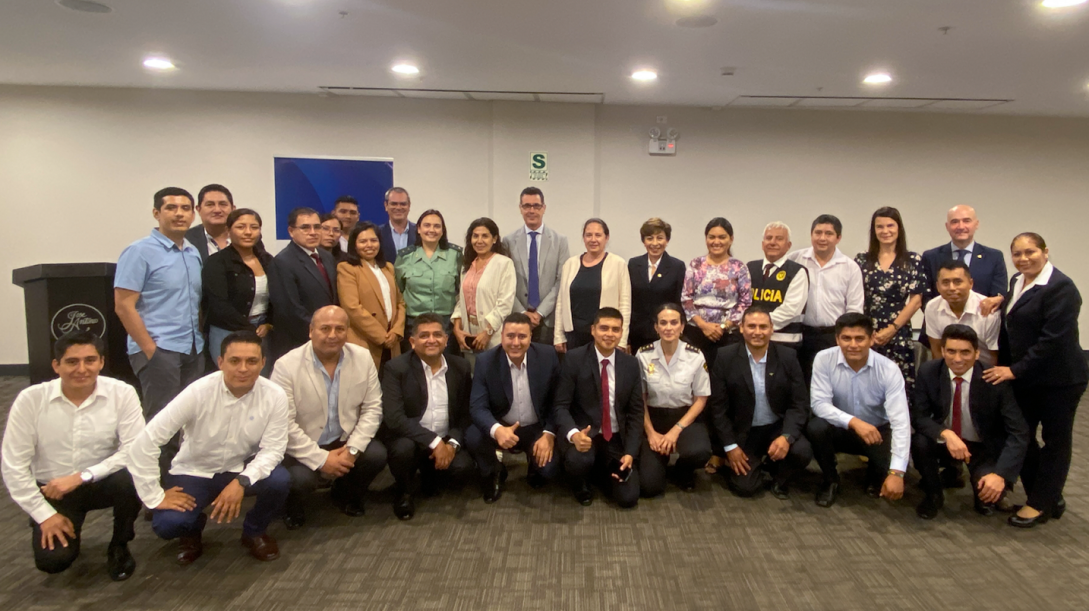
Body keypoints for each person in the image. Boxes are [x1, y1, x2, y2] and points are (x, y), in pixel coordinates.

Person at [128, 331, 290, 564]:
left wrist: (242, 480)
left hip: (240, 466)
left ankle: (254, 531)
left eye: (252, 361)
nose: (243, 368)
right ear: (220, 362)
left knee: (280, 481)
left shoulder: (275, 395)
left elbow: (274, 449)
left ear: (263, 363)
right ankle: (191, 531)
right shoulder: (198, 392)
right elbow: (145, 441)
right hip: (195, 470)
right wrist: (154, 496)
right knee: (167, 525)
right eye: (235, 361)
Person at [1, 331, 143, 581]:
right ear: (56, 366)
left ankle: (119, 544)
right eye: (71, 361)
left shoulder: (123, 393)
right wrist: (45, 514)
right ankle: (48, 520)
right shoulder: (31, 400)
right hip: (54, 490)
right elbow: (13, 466)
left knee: (131, 478)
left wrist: (83, 476)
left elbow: (134, 449)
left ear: (101, 362)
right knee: (53, 563)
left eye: (90, 360)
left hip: (102, 481)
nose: (82, 369)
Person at [983, 233, 1089, 528]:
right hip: (1029, 378)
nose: (1023, 258)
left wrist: (1013, 371)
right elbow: (1017, 317)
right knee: (1022, 436)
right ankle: (1047, 496)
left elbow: (1052, 341)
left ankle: (1040, 503)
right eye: (1017, 254)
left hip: (1060, 380)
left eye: (1030, 252)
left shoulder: (1062, 288)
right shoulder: (1019, 280)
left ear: (1045, 251)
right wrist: (1000, 301)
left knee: (1056, 441)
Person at [114, 187, 204, 476]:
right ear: (157, 213)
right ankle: (155, 495)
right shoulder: (139, 251)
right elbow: (123, 305)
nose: (179, 213)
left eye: (186, 208)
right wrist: (150, 350)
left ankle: (181, 483)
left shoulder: (192, 253)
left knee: (189, 423)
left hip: (192, 348)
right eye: (171, 208)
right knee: (160, 425)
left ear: (193, 213)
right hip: (160, 349)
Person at [271, 307, 387, 529]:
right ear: (311, 331)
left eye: (339, 329)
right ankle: (292, 505)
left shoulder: (362, 357)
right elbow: (283, 424)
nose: (332, 335)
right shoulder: (286, 366)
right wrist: (321, 459)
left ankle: (344, 493)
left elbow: (373, 408)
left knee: (376, 454)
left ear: (347, 332)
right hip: (303, 444)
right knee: (300, 479)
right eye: (325, 328)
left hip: (344, 440)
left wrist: (353, 450)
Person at [911, 325, 1029, 520]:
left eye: (965, 352)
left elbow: (1019, 432)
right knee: (920, 442)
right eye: (951, 351)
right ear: (942, 351)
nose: (957, 359)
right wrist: (946, 434)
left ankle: (989, 485)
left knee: (987, 498)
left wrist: (1001, 475)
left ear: (977, 353)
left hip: (982, 446)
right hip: (946, 441)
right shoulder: (928, 371)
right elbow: (919, 416)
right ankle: (934, 494)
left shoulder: (993, 378)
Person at [806, 313, 910, 508]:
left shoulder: (889, 369)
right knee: (816, 427)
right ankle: (831, 480)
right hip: (841, 429)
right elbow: (819, 403)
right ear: (837, 339)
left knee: (899, 469)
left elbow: (901, 422)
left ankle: (875, 472)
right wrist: (854, 422)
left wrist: (897, 472)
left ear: (871, 339)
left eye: (859, 338)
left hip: (877, 432)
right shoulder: (823, 359)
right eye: (846, 338)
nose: (853, 344)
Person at [708, 305, 812, 499]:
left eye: (763, 327)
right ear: (741, 328)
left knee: (802, 452)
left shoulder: (788, 357)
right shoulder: (725, 357)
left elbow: (799, 404)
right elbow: (717, 408)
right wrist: (730, 447)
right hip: (744, 431)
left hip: (776, 428)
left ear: (772, 329)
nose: (757, 332)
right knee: (746, 488)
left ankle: (775, 470)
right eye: (752, 326)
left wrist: (786, 437)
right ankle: (757, 466)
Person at [380, 314, 476, 520]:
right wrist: (434, 442)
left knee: (463, 468)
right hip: (412, 440)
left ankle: (429, 473)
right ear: (413, 342)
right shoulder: (396, 368)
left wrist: (452, 444)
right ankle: (404, 491)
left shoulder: (460, 367)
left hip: (445, 437)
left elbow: (465, 414)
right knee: (402, 450)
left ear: (446, 339)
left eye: (437, 335)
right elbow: (394, 418)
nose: (431, 340)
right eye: (424, 336)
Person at [465, 313, 562, 503]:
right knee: (473, 436)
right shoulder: (486, 361)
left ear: (531, 337)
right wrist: (497, 429)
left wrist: (549, 433)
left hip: (536, 427)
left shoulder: (547, 356)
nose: (515, 342)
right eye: (510, 336)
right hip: (502, 425)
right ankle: (494, 471)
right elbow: (477, 406)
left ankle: (535, 467)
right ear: (501, 336)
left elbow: (557, 400)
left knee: (550, 469)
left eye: (522, 336)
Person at [553, 308, 644, 508]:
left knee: (628, 498)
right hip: (584, 436)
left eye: (615, 329)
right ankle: (581, 481)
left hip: (615, 437)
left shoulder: (630, 364)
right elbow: (560, 406)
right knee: (578, 461)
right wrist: (574, 435)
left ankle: (601, 472)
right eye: (604, 328)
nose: (609, 334)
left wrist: (630, 452)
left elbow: (637, 412)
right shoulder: (574, 359)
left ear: (621, 333)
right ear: (593, 330)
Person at [636, 303, 712, 497]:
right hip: (653, 418)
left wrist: (675, 431)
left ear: (682, 326)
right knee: (649, 486)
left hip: (685, 418)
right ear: (656, 327)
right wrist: (651, 433)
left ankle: (682, 471)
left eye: (673, 322)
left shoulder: (695, 356)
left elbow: (701, 399)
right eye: (663, 323)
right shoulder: (643, 355)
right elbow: (639, 399)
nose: (668, 327)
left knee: (700, 452)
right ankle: (658, 463)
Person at [854, 207, 925, 399]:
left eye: (890, 226)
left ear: (899, 228)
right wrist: (867, 333)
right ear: (874, 230)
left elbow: (916, 300)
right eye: (880, 227)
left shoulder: (912, 260)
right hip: (868, 334)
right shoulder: (861, 260)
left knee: (898, 389)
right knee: (867, 387)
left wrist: (892, 328)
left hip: (899, 332)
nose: (885, 231)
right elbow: (854, 296)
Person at [787, 214, 864, 383]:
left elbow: (854, 308)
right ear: (811, 234)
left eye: (828, 234)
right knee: (802, 384)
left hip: (834, 336)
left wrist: (846, 338)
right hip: (802, 334)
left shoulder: (850, 267)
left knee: (833, 384)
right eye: (818, 232)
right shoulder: (795, 260)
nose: (822, 238)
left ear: (838, 238)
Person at [202, 208, 275, 369]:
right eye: (241, 227)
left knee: (260, 380)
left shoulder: (267, 260)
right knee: (233, 378)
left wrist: (269, 323)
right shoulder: (217, 262)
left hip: (262, 329)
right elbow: (219, 304)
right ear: (228, 230)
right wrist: (249, 329)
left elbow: (277, 297)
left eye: (254, 227)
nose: (248, 232)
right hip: (227, 330)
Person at [502, 186, 570, 344]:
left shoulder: (560, 241)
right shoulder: (508, 241)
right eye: (526, 206)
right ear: (520, 208)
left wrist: (540, 313)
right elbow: (505, 283)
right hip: (518, 318)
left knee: (545, 365)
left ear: (543, 208)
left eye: (536, 206)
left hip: (548, 320)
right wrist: (522, 312)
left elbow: (562, 280)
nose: (531, 210)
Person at [681, 217, 752, 368]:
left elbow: (745, 302)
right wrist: (703, 325)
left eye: (722, 237)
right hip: (696, 332)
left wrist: (723, 326)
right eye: (711, 237)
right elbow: (686, 298)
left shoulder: (740, 267)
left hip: (728, 335)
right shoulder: (696, 264)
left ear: (731, 239)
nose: (716, 241)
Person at [555, 218, 632, 352]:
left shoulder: (618, 264)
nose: (593, 239)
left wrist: (622, 339)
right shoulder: (570, 264)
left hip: (605, 336)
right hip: (574, 336)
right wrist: (558, 335)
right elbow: (561, 302)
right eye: (588, 235)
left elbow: (625, 304)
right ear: (583, 238)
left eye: (598, 235)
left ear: (606, 237)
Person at [271, 207, 338, 360]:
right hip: (299, 341)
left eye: (317, 227)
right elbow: (289, 310)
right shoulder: (283, 262)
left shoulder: (327, 257)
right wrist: (320, 333)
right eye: (305, 228)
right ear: (291, 231)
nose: (313, 232)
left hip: (329, 339)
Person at [337, 221, 406, 370]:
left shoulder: (388, 267)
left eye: (373, 240)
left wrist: (396, 331)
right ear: (354, 244)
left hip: (392, 342)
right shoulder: (347, 268)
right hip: (366, 341)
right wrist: (382, 336)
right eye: (363, 241)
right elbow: (352, 308)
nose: (369, 245)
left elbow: (400, 303)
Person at [394, 209, 463, 357]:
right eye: (427, 225)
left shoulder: (455, 255)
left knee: (448, 366)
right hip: (414, 323)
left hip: (446, 324)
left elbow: (460, 290)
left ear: (443, 230)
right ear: (418, 229)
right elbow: (398, 290)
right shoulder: (405, 257)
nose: (432, 230)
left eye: (437, 226)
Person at [921, 205, 1008, 314]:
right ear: (947, 226)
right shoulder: (931, 257)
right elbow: (925, 297)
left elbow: (998, 296)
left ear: (976, 224)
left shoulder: (994, 257)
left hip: (981, 323)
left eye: (967, 221)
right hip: (940, 323)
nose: (961, 226)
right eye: (955, 222)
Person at [451, 218, 516, 356]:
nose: (479, 241)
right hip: (468, 334)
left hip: (493, 335)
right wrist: (457, 328)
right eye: (475, 236)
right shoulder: (467, 265)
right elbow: (461, 300)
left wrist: (487, 332)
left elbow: (505, 304)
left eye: (485, 236)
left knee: (492, 374)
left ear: (494, 239)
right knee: (472, 375)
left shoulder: (504, 264)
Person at [923, 260, 1000, 367]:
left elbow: (994, 356)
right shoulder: (932, 307)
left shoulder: (989, 310)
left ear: (970, 283)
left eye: (957, 282)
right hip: (950, 368)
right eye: (945, 283)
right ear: (937, 286)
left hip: (982, 369)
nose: (952, 288)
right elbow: (937, 349)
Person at [628, 218, 685, 353]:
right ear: (644, 241)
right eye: (649, 238)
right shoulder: (634, 264)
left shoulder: (677, 266)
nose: (655, 243)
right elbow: (630, 300)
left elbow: (679, 302)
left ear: (667, 240)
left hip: (665, 332)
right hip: (637, 333)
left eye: (660, 238)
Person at [747, 222, 809, 347]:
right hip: (752, 341)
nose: (773, 242)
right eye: (769, 238)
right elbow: (742, 303)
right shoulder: (750, 268)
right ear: (762, 244)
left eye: (779, 239)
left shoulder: (797, 271)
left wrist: (759, 326)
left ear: (788, 245)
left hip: (785, 341)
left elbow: (791, 309)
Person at [185, 183, 235, 263]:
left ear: (233, 209)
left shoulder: (246, 236)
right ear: (198, 209)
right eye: (210, 205)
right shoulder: (186, 239)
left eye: (223, 204)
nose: (217, 210)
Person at [378, 187, 417, 264]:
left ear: (409, 206)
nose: (398, 207)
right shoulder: (376, 233)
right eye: (394, 204)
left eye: (403, 204)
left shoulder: (420, 232)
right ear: (386, 206)